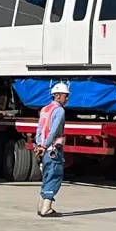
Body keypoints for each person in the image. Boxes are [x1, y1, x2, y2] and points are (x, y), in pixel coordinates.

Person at [36, 81, 69, 217]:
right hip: (53, 149)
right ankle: (46, 209)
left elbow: (39, 128)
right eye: (65, 96)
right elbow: (54, 131)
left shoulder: (45, 109)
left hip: (45, 149)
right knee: (54, 175)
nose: (67, 99)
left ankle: (41, 206)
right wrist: (45, 145)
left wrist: (40, 144)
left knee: (47, 176)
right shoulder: (59, 110)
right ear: (57, 95)